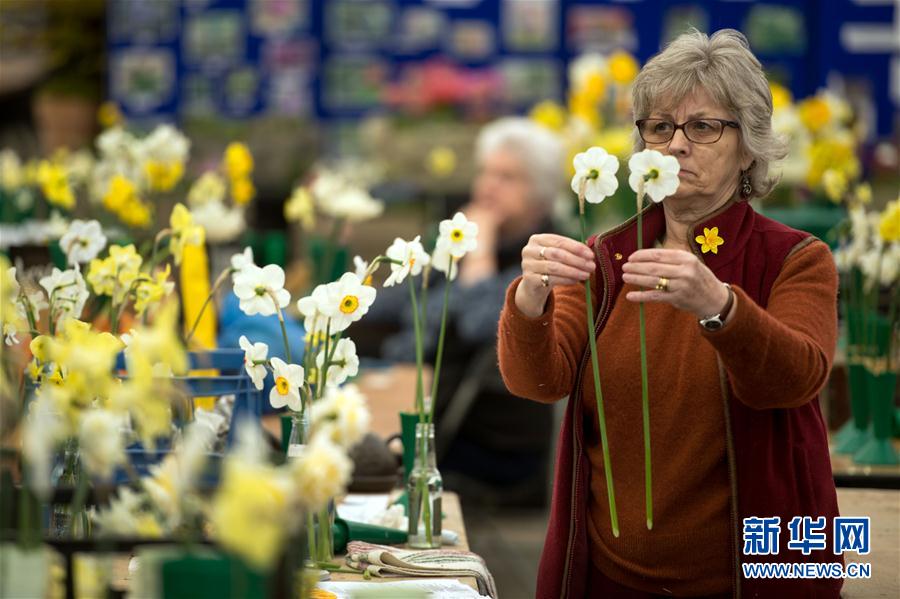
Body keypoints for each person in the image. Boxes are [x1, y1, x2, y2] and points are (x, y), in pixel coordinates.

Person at [497, 30, 842, 598]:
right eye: (659, 127)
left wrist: (719, 305)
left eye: (703, 127)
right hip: (607, 579)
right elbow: (538, 380)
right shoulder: (608, 256)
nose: (676, 145)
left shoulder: (794, 258)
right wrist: (530, 296)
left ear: (749, 144)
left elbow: (796, 378)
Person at [365, 117, 565, 505]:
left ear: (540, 195)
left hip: (487, 444)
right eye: (486, 172)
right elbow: (402, 305)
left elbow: (480, 327)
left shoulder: (551, 258)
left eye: (508, 177)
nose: (488, 187)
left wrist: (479, 257)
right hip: (429, 409)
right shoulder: (465, 241)